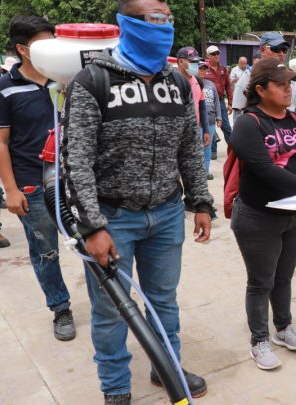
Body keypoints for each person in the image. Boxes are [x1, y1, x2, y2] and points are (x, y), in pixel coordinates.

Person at [61, 0, 213, 402]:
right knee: (111, 312)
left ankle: (167, 369)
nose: (164, 27)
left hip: (165, 213)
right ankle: (116, 389)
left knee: (164, 300)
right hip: (113, 218)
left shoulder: (176, 82)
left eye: (168, 20)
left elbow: (188, 151)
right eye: (154, 19)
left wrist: (200, 202)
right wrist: (92, 227)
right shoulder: (93, 80)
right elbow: (75, 159)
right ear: (126, 23)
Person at [229, 58, 296, 370]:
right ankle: (258, 340)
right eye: (281, 85)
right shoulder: (248, 123)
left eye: (290, 84)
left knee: (284, 277)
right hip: (257, 216)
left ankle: (283, 328)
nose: (289, 90)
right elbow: (264, 170)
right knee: (261, 281)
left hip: (294, 213)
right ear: (260, 90)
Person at [0, 15, 75, 340]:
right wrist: (11, 190)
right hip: (32, 185)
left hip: (73, 180)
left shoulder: (65, 80)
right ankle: (60, 308)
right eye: (44, 42)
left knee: (90, 240)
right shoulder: (6, 89)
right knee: (45, 250)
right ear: (23, 49)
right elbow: (1, 143)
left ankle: (106, 299)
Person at [176, 47, 212, 178]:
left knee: (192, 170)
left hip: (194, 132)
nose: (195, 65)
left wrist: (206, 130)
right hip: (176, 134)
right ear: (180, 62)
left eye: (197, 62)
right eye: (192, 62)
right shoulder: (172, 82)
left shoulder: (197, 81)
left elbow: (202, 106)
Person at [258, 32, 296, 112]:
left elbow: (293, 104)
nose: (281, 54)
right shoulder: (253, 76)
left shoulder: (288, 75)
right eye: (276, 49)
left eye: (284, 50)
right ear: (263, 50)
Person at [204, 45, 232, 157]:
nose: (216, 56)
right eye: (214, 54)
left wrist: (230, 103)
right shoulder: (204, 68)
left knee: (226, 126)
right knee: (209, 126)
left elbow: (228, 86)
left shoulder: (223, 69)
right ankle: (212, 151)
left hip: (220, 101)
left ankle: (233, 150)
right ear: (208, 56)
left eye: (218, 53)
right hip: (207, 101)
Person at [198, 60, 222, 178]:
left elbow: (216, 102)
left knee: (207, 147)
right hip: (197, 123)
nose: (202, 71)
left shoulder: (210, 84)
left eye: (204, 69)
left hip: (211, 121)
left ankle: (206, 172)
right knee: (198, 148)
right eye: (200, 68)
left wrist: (219, 117)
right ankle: (198, 172)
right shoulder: (192, 83)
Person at [231, 55, 251, 126]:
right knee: (236, 117)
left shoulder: (248, 71)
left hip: (245, 97)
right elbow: (230, 81)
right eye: (243, 64)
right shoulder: (234, 70)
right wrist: (236, 80)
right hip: (237, 97)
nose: (245, 65)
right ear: (239, 63)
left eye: (246, 63)